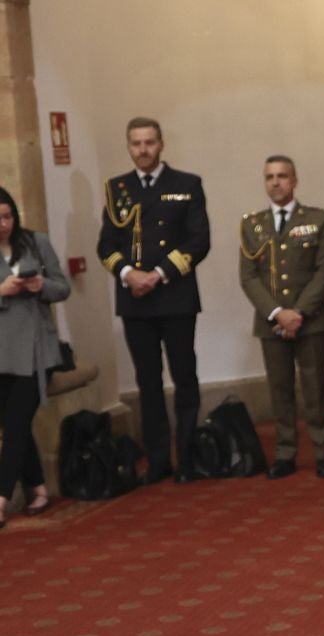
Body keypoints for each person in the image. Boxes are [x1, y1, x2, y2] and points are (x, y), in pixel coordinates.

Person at [96, 116, 208, 485]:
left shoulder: (187, 184)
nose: (142, 150)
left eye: (149, 143)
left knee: (184, 377)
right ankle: (159, 459)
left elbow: (198, 241)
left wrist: (157, 275)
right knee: (148, 382)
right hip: (136, 302)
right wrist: (129, 274)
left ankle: (189, 456)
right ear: (128, 147)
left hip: (174, 296)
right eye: (135, 144)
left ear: (161, 144)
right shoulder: (117, 189)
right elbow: (106, 245)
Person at [238, 156, 324, 480]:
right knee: (280, 390)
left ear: (294, 180)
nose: (275, 182)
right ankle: (285, 453)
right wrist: (278, 313)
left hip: (311, 320)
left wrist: (299, 313)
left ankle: (323, 452)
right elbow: (248, 277)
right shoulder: (252, 225)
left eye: (282, 176)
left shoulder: (317, 220)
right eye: (269, 177)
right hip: (271, 322)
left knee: (315, 389)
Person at [0, 188, 70, 528]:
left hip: (36, 352)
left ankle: (0, 498)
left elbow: (63, 287)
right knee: (15, 424)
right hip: (1, 354)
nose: (3, 224)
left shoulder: (35, 242)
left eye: (7, 216)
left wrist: (40, 285)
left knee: (14, 424)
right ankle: (39, 487)